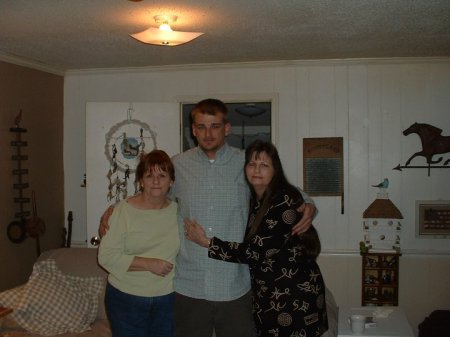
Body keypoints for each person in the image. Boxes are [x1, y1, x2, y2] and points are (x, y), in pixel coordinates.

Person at [99, 98, 316, 337]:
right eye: (201, 126)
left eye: (214, 126)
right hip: (189, 288)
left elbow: (280, 187)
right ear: (193, 130)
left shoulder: (246, 163)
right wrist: (115, 211)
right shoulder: (178, 166)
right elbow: (153, 190)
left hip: (234, 286)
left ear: (227, 128)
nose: (208, 133)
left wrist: (308, 204)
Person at [185, 140, 328, 337]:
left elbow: (256, 251)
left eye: (264, 165)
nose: (257, 170)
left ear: (275, 169)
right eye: (252, 164)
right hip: (269, 295)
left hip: (293, 295)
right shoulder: (255, 201)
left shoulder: (284, 200)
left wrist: (206, 242)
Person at [98, 149, 179, 337]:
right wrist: (148, 264)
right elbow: (106, 256)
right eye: (149, 175)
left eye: (162, 175)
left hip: (167, 299)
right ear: (141, 181)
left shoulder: (178, 211)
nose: (156, 181)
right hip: (126, 299)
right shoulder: (123, 211)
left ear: (171, 181)